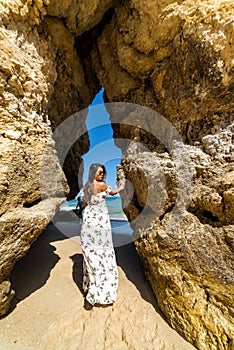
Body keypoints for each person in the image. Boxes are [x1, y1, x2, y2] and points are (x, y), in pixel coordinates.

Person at [80, 163, 124, 310]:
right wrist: (121, 187)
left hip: (89, 221)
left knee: (91, 253)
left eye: (102, 173)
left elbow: (84, 205)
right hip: (100, 223)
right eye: (99, 172)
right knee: (103, 253)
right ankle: (100, 292)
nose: (101, 175)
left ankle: (90, 287)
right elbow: (112, 193)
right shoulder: (102, 185)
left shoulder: (86, 187)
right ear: (93, 173)